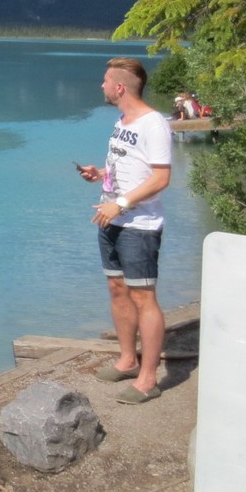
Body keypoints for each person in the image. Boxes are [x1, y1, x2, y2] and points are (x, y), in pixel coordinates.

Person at [76, 57, 173, 404]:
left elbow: (161, 177)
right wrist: (100, 174)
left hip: (139, 225)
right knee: (117, 288)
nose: (101, 86)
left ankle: (148, 379)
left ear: (120, 87)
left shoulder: (154, 125)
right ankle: (128, 360)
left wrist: (123, 203)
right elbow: (128, 166)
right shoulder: (122, 121)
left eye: (105, 81)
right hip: (110, 218)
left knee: (144, 297)